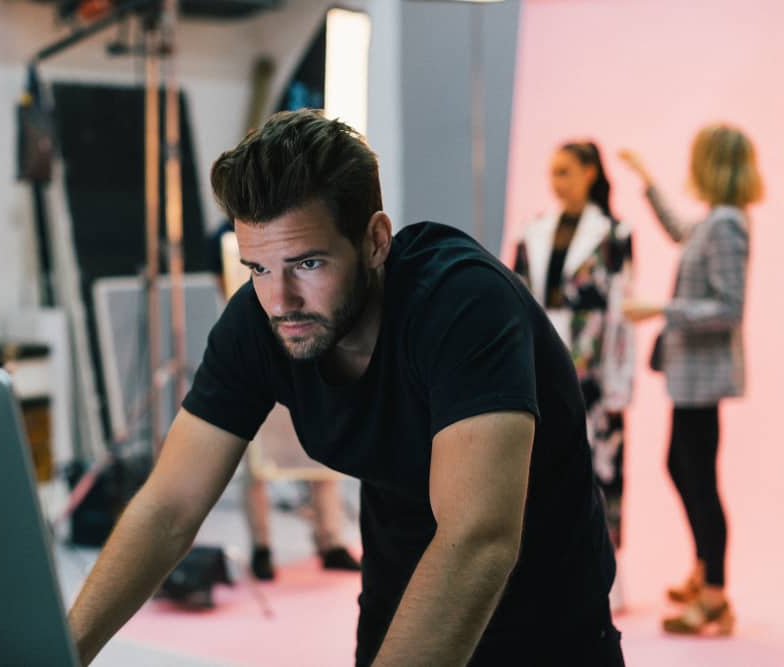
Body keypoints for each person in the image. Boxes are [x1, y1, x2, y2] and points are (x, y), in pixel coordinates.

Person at [68, 110, 624, 666]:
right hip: (401, 613)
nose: (280, 298)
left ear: (376, 240)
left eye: (307, 262)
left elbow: (477, 541)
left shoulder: (463, 303)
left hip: (546, 627)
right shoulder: (263, 319)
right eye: (257, 268)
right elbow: (168, 508)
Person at [620, 123, 763, 636]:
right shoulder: (714, 221)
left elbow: (729, 307)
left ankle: (716, 596)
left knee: (697, 476)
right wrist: (646, 180)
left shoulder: (727, 224)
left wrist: (662, 308)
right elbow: (681, 230)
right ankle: (704, 569)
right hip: (692, 374)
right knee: (683, 466)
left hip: (703, 375)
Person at [513, 141, 634, 611]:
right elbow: (516, 297)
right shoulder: (533, 231)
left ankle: (607, 573)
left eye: (565, 171)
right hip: (540, 359)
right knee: (538, 461)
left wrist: (620, 381)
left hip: (592, 370)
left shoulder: (615, 235)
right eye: (553, 171)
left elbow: (621, 312)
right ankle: (543, 569)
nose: (556, 181)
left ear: (589, 173)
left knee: (600, 466)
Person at [210, 220, 360, 580]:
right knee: (258, 462)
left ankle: (330, 540)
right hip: (262, 354)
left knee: (324, 452)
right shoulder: (225, 238)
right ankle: (262, 547)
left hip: (309, 351)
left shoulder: (301, 221)